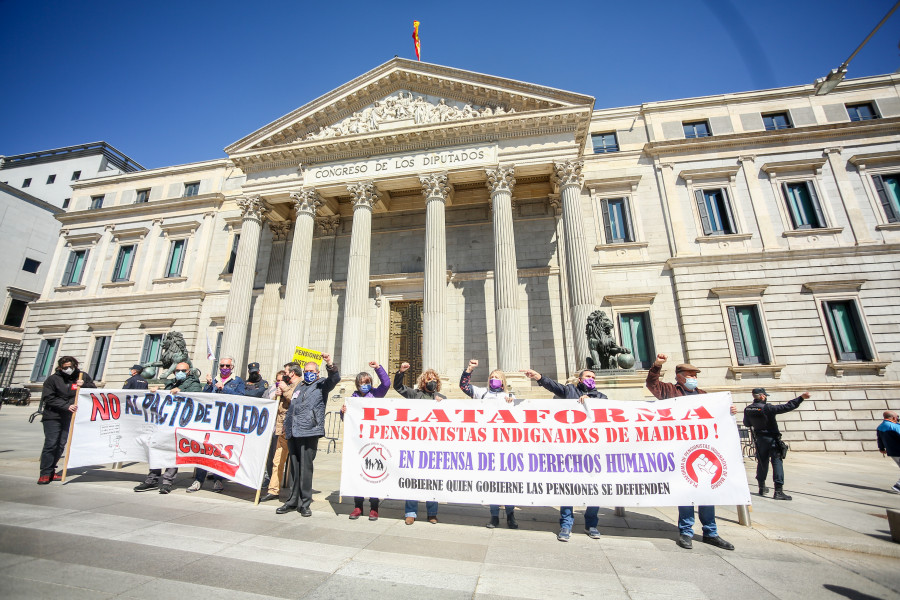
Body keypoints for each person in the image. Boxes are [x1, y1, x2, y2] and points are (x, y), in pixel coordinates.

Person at [646, 353, 735, 551]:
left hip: (702, 449)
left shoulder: (703, 395)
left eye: (695, 374)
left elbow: (716, 417)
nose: (693, 377)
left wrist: (729, 413)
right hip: (680, 450)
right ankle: (686, 531)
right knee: (686, 492)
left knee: (706, 493)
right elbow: (652, 384)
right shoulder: (669, 390)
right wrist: (657, 366)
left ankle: (711, 532)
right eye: (689, 374)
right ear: (679, 376)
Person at [523, 366, 606, 542]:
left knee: (594, 490)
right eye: (588, 376)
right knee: (568, 488)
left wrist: (590, 400)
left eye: (593, 377)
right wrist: (538, 376)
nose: (591, 379)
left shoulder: (601, 397)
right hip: (571, 451)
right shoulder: (570, 391)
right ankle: (566, 524)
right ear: (581, 379)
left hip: (592, 452)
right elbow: (553, 386)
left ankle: (591, 524)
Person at [276, 354, 340, 517]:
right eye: (306, 371)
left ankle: (305, 503)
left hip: (309, 430)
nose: (309, 373)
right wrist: (286, 425)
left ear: (317, 373)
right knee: (294, 468)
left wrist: (330, 364)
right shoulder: (300, 386)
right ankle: (292, 500)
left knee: (305, 468)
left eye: (311, 371)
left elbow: (335, 378)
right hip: (293, 431)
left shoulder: (322, 385)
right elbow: (293, 405)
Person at [460, 359, 517, 529]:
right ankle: (494, 516)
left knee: (508, 483)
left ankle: (510, 514)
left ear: (503, 381)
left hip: (507, 447)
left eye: (497, 377)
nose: (494, 379)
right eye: (492, 377)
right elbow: (464, 387)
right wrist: (469, 369)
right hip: (489, 446)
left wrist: (512, 402)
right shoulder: (481, 393)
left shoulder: (511, 396)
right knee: (493, 483)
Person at [135, 362, 204, 493]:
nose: (179, 372)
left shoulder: (194, 383)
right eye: (176, 370)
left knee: (172, 452)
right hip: (163, 422)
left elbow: (197, 396)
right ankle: (152, 478)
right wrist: (156, 393)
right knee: (156, 449)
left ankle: (167, 481)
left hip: (179, 423)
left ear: (189, 371)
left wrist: (182, 392)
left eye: (183, 370)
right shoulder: (171, 383)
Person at [394, 361, 446, 524]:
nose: (431, 382)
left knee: (432, 480)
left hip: (434, 446)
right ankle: (411, 512)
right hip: (415, 444)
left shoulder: (442, 398)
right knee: (412, 479)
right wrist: (400, 372)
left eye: (434, 380)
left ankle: (432, 513)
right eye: (429, 379)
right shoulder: (414, 394)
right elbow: (398, 388)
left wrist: (441, 403)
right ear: (423, 381)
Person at [341, 360, 390, 520]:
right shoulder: (352, 399)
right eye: (362, 383)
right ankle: (358, 506)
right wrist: (343, 412)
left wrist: (378, 368)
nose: (365, 385)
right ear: (357, 384)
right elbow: (347, 419)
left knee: (373, 473)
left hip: (374, 441)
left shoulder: (376, 394)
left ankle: (374, 507)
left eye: (367, 382)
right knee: (358, 473)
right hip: (358, 442)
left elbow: (386, 383)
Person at [37, 356, 96, 484]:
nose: (68, 369)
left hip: (69, 417)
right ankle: (45, 473)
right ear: (60, 367)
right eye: (65, 367)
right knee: (51, 443)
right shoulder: (52, 380)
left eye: (71, 367)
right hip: (53, 416)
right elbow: (48, 397)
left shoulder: (81, 376)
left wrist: (84, 384)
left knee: (61, 444)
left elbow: (93, 390)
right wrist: (66, 406)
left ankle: (52, 470)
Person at [743, 388, 810, 500]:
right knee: (777, 462)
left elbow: (747, 423)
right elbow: (787, 407)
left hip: (760, 439)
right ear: (763, 396)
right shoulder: (767, 408)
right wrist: (801, 398)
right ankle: (778, 491)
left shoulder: (748, 409)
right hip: (772, 439)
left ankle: (762, 487)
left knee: (762, 462)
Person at [193, 356, 245, 492]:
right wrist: (209, 385)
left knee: (220, 451)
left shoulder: (237, 381)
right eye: (222, 366)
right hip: (210, 420)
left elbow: (241, 397)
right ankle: (198, 480)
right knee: (204, 450)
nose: (225, 368)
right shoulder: (214, 379)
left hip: (225, 422)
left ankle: (218, 480)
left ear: (232, 367)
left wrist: (225, 389)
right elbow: (203, 397)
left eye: (227, 366)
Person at [260, 370, 292, 502]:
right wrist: (277, 396)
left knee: (295, 464)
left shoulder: (296, 387)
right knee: (276, 460)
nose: (280, 382)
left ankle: (295, 492)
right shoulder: (274, 389)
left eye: (283, 380)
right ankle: (273, 489)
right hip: (279, 429)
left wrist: (285, 391)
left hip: (294, 429)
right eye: (278, 380)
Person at [876, 410, 900, 493]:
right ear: (894, 418)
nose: (898, 419)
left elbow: (879, 439)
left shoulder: (880, 426)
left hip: (892, 452)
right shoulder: (895, 427)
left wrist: (881, 448)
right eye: (898, 417)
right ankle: (898, 486)